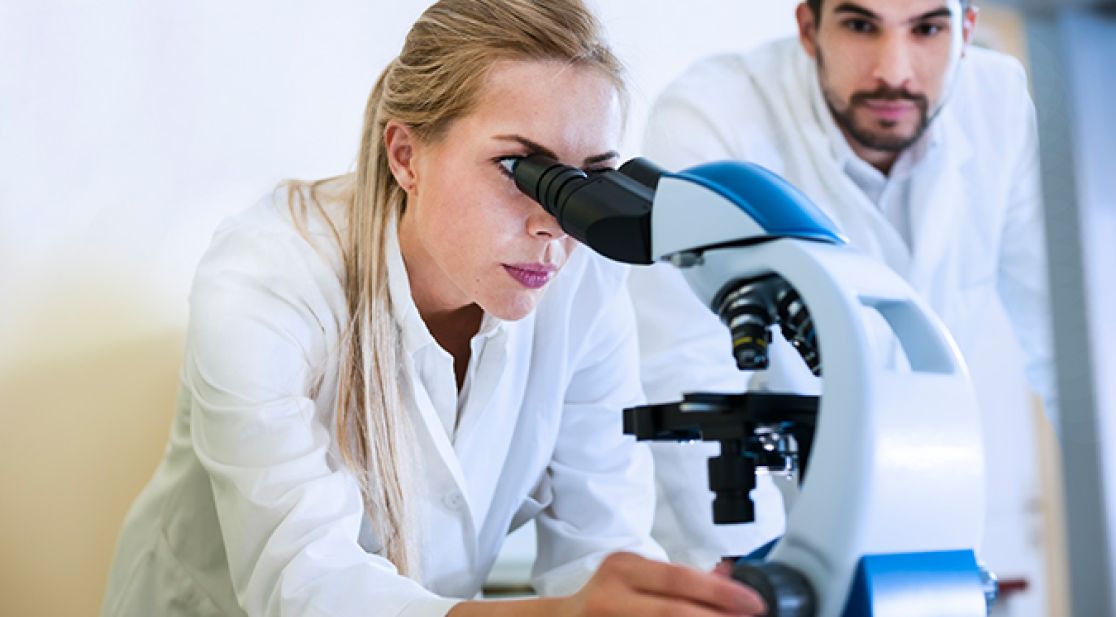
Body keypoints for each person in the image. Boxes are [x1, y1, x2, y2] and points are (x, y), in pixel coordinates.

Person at [100, 2, 767, 616]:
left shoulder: (585, 281)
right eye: (519, 168)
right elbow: (301, 582)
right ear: (406, 155)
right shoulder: (263, 280)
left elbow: (598, 543)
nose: (554, 225)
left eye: (587, 179)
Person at [630, 0, 1056, 568]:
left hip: (928, 510)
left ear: (966, 30)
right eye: (860, 25)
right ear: (809, 28)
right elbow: (684, 367)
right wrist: (754, 573)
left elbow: (1067, 346)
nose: (894, 72)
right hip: (748, 522)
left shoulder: (999, 103)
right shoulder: (712, 114)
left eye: (928, 28)